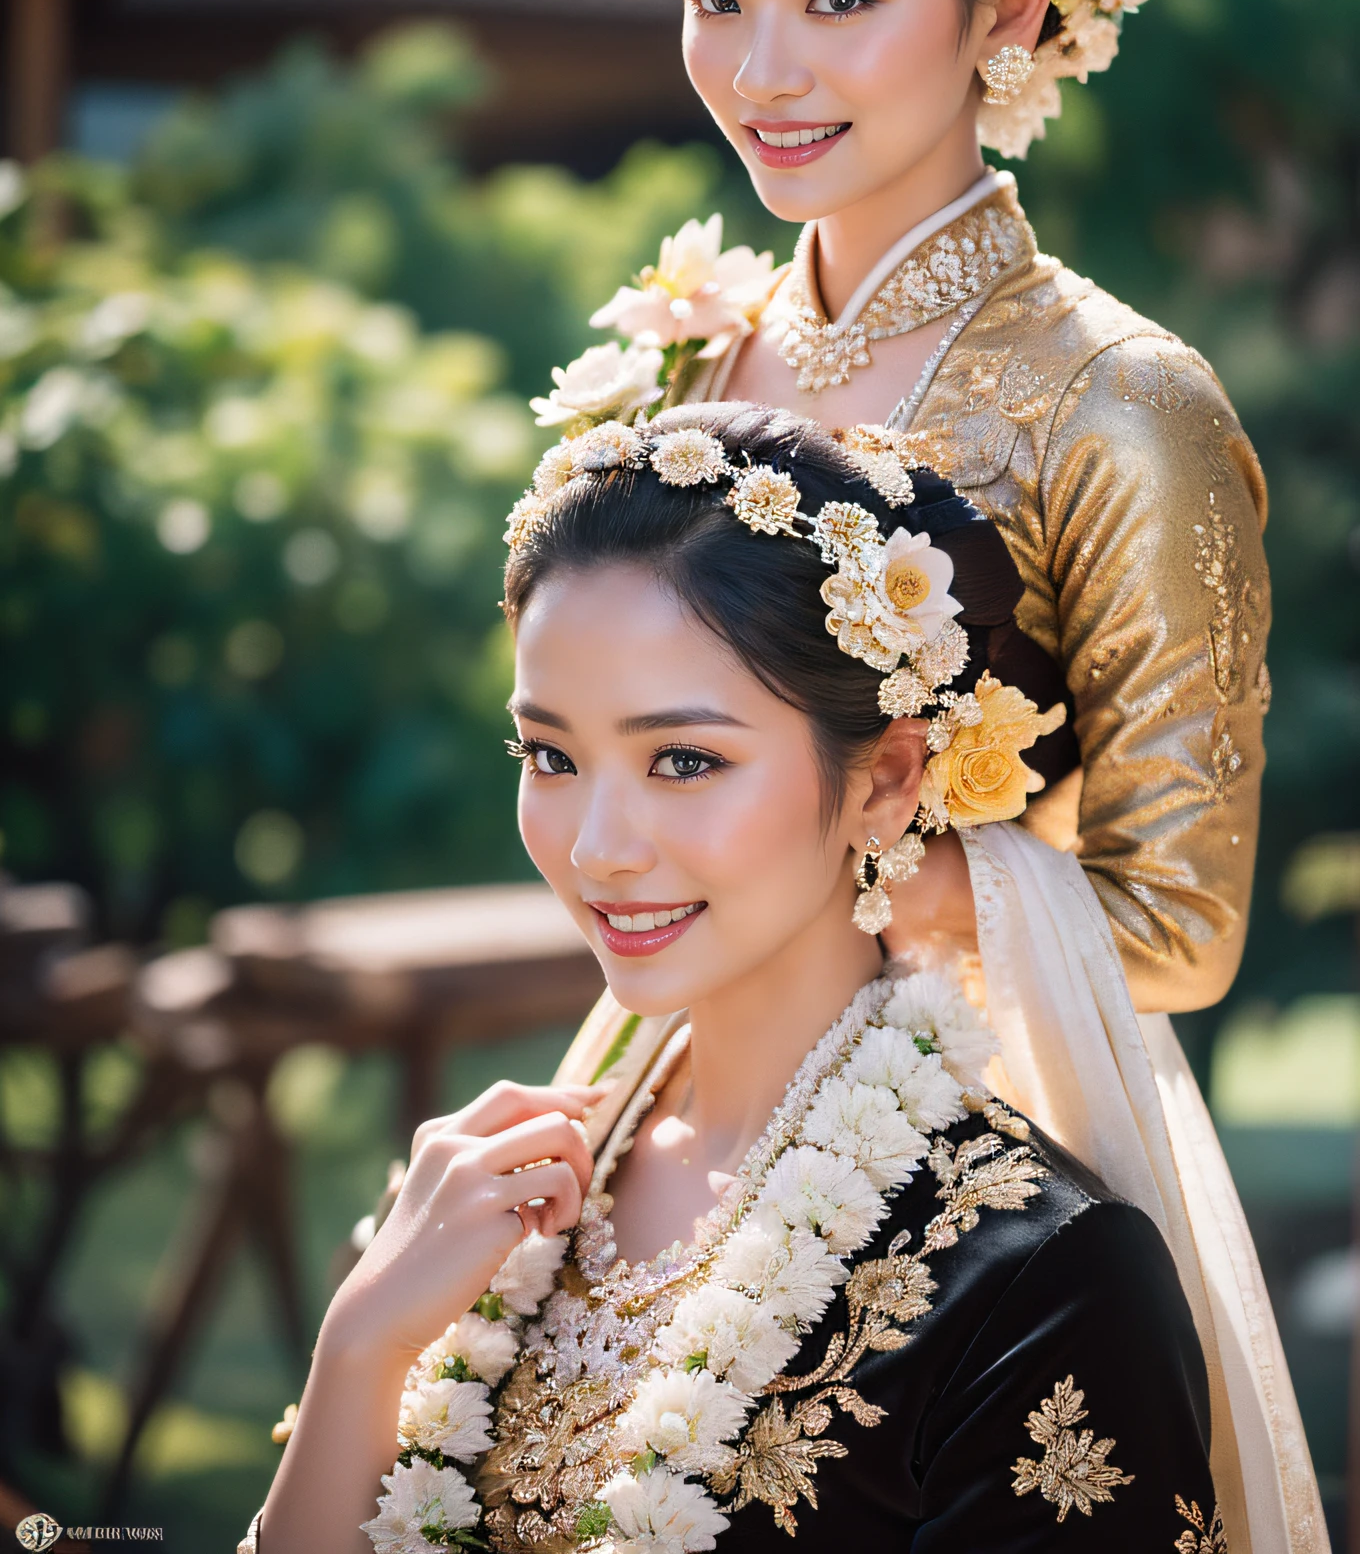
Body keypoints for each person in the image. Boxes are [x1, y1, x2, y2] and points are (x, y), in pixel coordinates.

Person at [242, 409, 1320, 1554]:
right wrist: (360, 1347)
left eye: (685, 759)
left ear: (886, 779)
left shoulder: (1045, 1279)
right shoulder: (492, 1193)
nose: (599, 845)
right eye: (550, 755)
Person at [540, 0, 1270, 1021]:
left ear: (1005, 0)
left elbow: (1182, 933)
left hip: (952, 1141)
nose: (760, 72)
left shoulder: (1121, 409)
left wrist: (837, 871)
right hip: (665, 1084)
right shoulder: (691, 353)